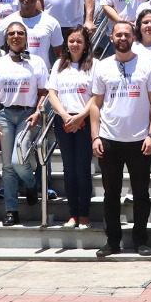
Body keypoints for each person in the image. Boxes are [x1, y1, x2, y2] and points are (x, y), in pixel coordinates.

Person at [89, 20, 151, 258]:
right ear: (111, 38)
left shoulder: (146, 65)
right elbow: (95, 105)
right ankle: (112, 242)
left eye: (127, 35)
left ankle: (140, 240)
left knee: (141, 193)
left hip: (139, 140)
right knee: (111, 194)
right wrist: (95, 137)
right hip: (109, 139)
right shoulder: (101, 67)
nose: (123, 38)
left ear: (134, 38)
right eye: (118, 35)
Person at [0, 22, 49, 225]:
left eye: (20, 33)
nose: (15, 36)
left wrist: (38, 112)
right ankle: (11, 210)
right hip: (4, 114)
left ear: (26, 37)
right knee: (7, 166)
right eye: (11, 33)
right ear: (6, 38)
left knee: (17, 159)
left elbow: (43, 93)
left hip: (27, 115)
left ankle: (31, 184)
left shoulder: (37, 62)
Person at [46, 26, 96, 231]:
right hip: (64, 121)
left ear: (85, 45)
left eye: (79, 41)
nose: (75, 44)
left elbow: (97, 94)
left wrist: (81, 116)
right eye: (72, 41)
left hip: (85, 120)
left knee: (82, 169)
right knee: (69, 169)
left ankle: (84, 214)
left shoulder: (94, 65)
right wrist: (66, 116)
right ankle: (72, 214)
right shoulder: (59, 64)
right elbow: (52, 93)